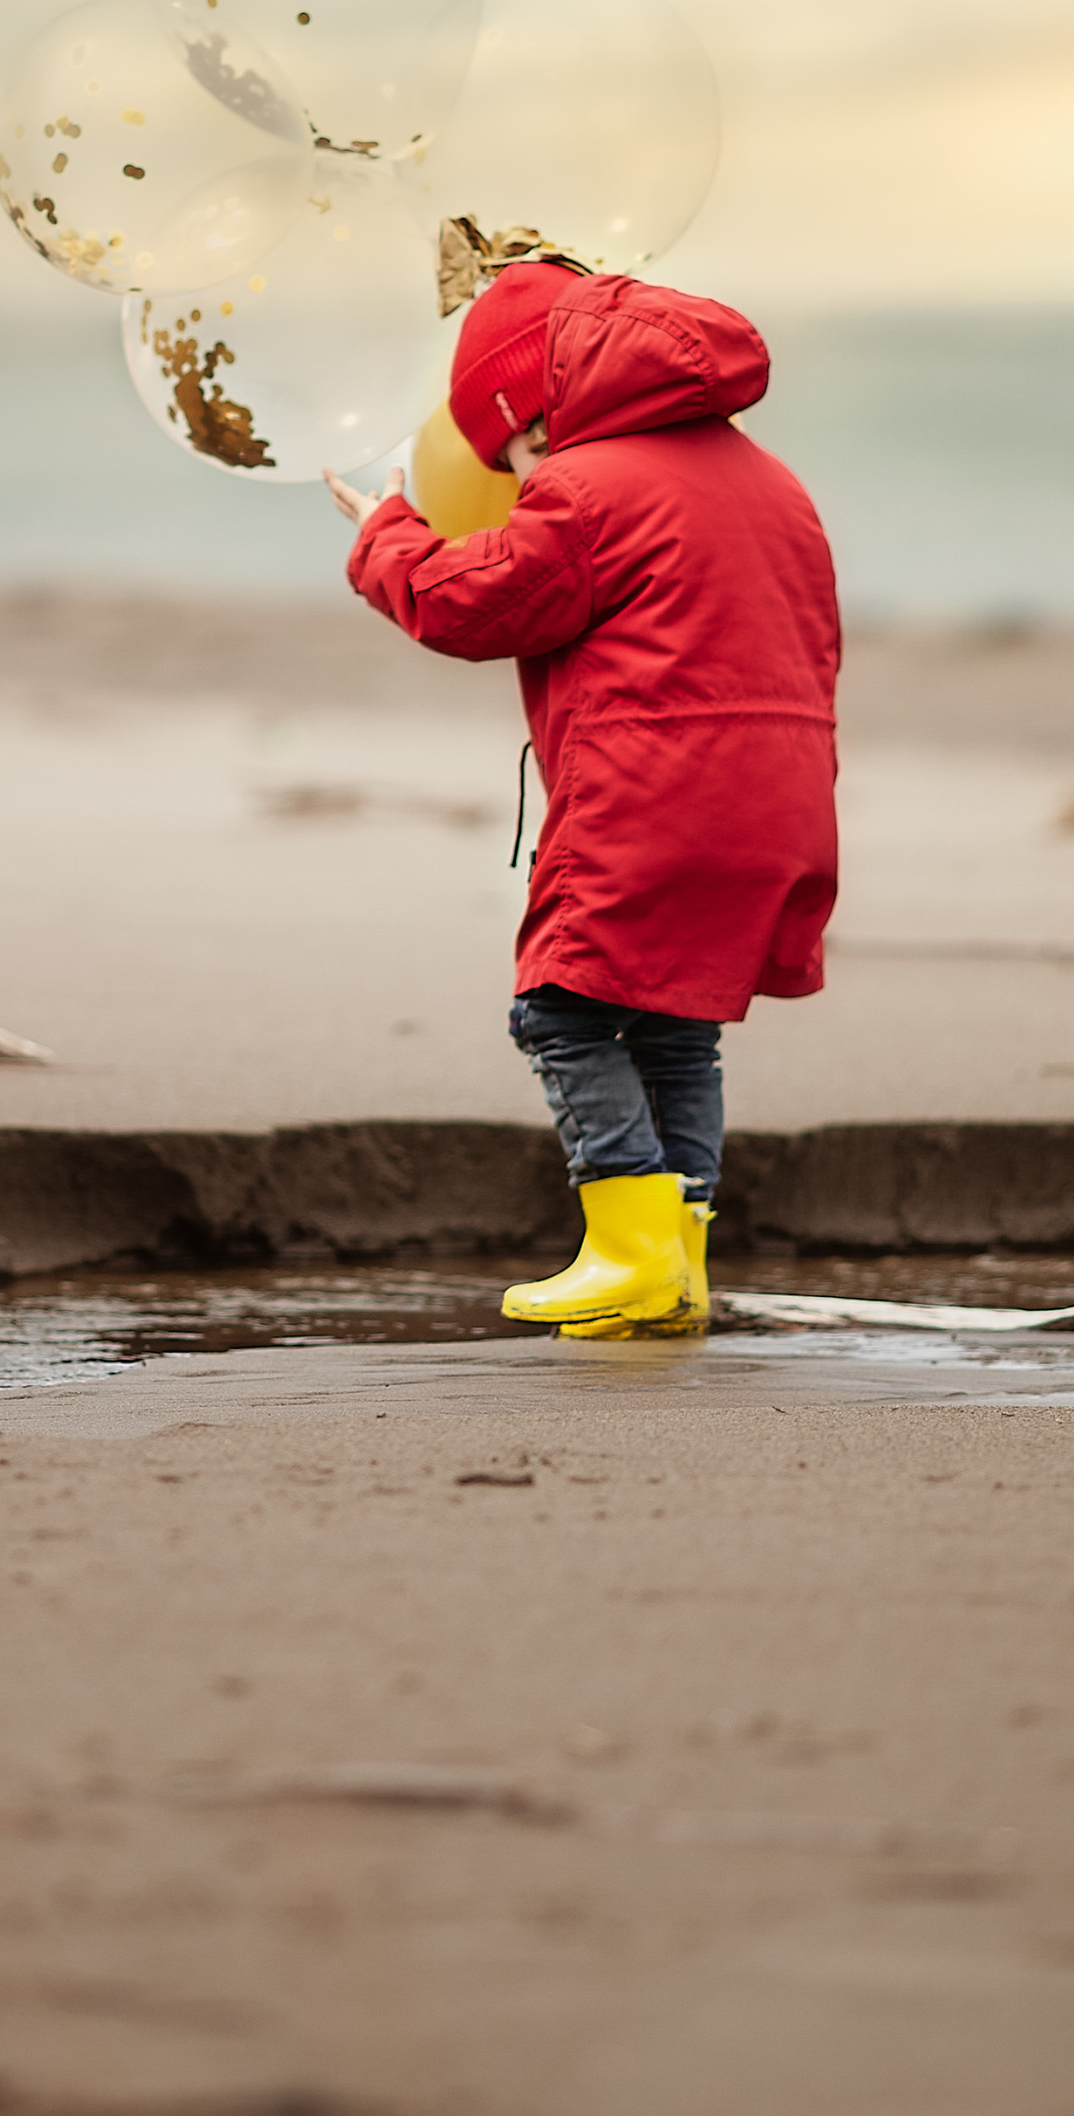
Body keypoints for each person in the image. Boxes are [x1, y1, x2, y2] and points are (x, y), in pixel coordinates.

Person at [324, 260, 839, 1335]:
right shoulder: (777, 484)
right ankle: (681, 1258)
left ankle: (629, 1250)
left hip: (652, 796)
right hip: (782, 793)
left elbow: (473, 605)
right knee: (675, 1029)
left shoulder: (585, 486)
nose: (516, 474)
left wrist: (383, 533)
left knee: (559, 1006)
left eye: (510, 450)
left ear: (538, 410)